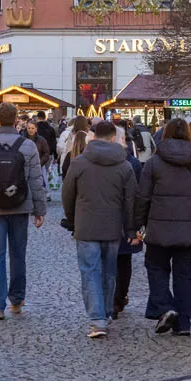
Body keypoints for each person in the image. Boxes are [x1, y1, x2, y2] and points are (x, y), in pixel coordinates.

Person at [136, 118, 191, 337]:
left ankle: (166, 306)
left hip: (159, 228)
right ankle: (184, 323)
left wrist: (138, 225)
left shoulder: (154, 163)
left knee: (156, 267)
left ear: (164, 134)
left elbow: (143, 197)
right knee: (188, 274)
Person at [61, 121, 136, 338]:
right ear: (114, 138)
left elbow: (68, 195)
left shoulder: (79, 163)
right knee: (109, 271)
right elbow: (131, 200)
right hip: (113, 227)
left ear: (93, 137)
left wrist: (73, 219)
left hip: (86, 225)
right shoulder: (124, 165)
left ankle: (97, 319)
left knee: (90, 272)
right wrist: (131, 229)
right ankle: (106, 312)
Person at [0, 102, 46, 320]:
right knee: (18, 254)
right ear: (16, 121)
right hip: (20, 205)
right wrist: (39, 210)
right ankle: (17, 300)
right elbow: (35, 180)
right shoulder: (28, 145)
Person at [114, 139, 145, 318]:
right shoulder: (132, 163)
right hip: (126, 219)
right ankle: (119, 297)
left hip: (105, 219)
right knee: (124, 260)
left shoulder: (89, 160)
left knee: (109, 260)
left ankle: (113, 297)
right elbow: (138, 194)